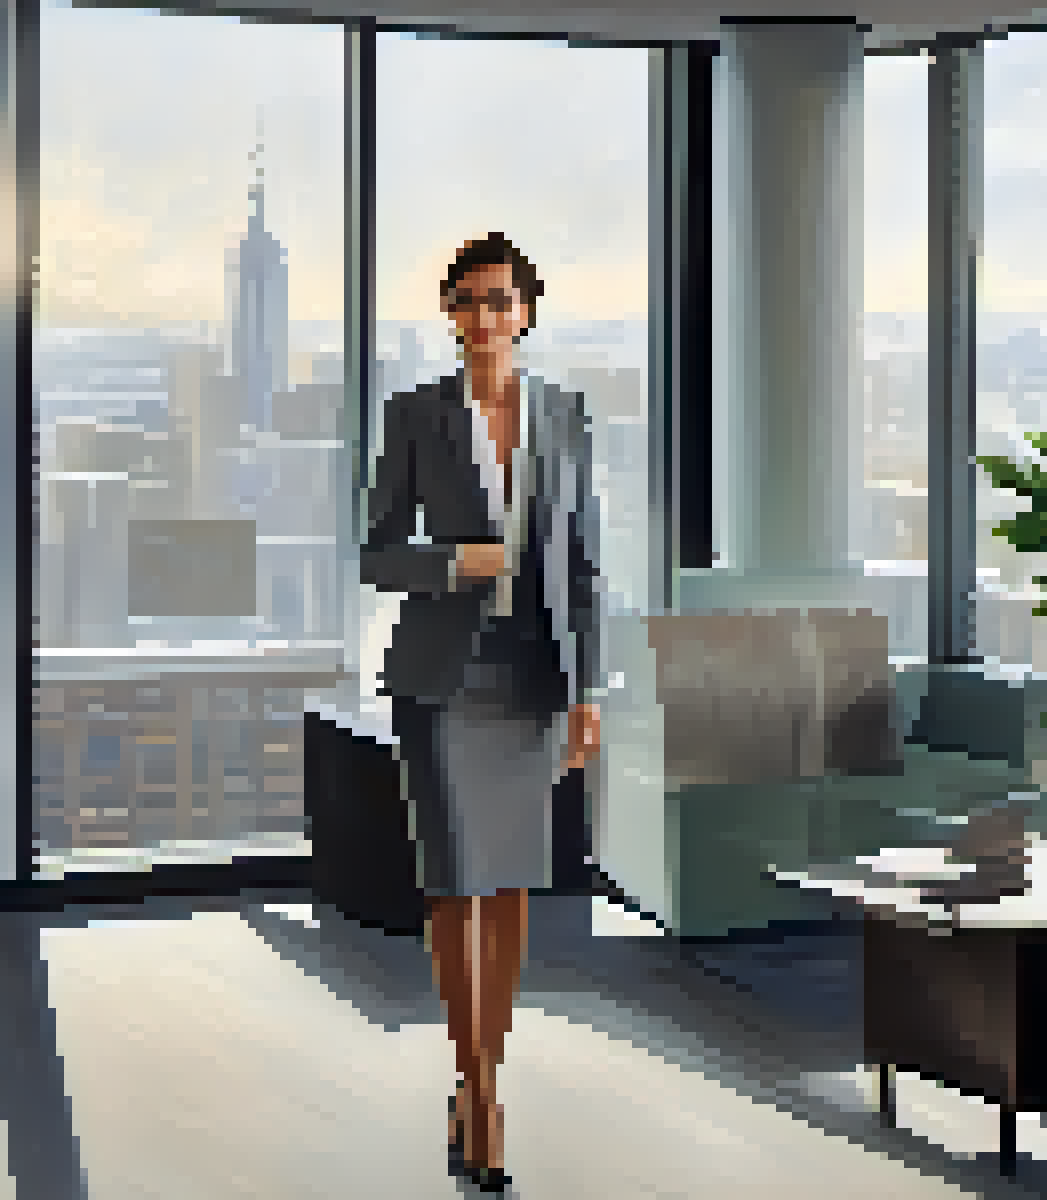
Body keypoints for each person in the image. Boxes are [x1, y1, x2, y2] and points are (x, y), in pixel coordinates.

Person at [359, 232, 604, 1192]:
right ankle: (480, 1088)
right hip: (444, 681)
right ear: (453, 318)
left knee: (508, 887)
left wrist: (589, 692)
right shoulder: (415, 415)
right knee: (455, 880)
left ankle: (482, 1076)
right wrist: (455, 562)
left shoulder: (566, 416)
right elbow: (377, 552)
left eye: (498, 300)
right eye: (465, 302)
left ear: (527, 312)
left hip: (534, 678)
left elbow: (584, 566)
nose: (482, 318)